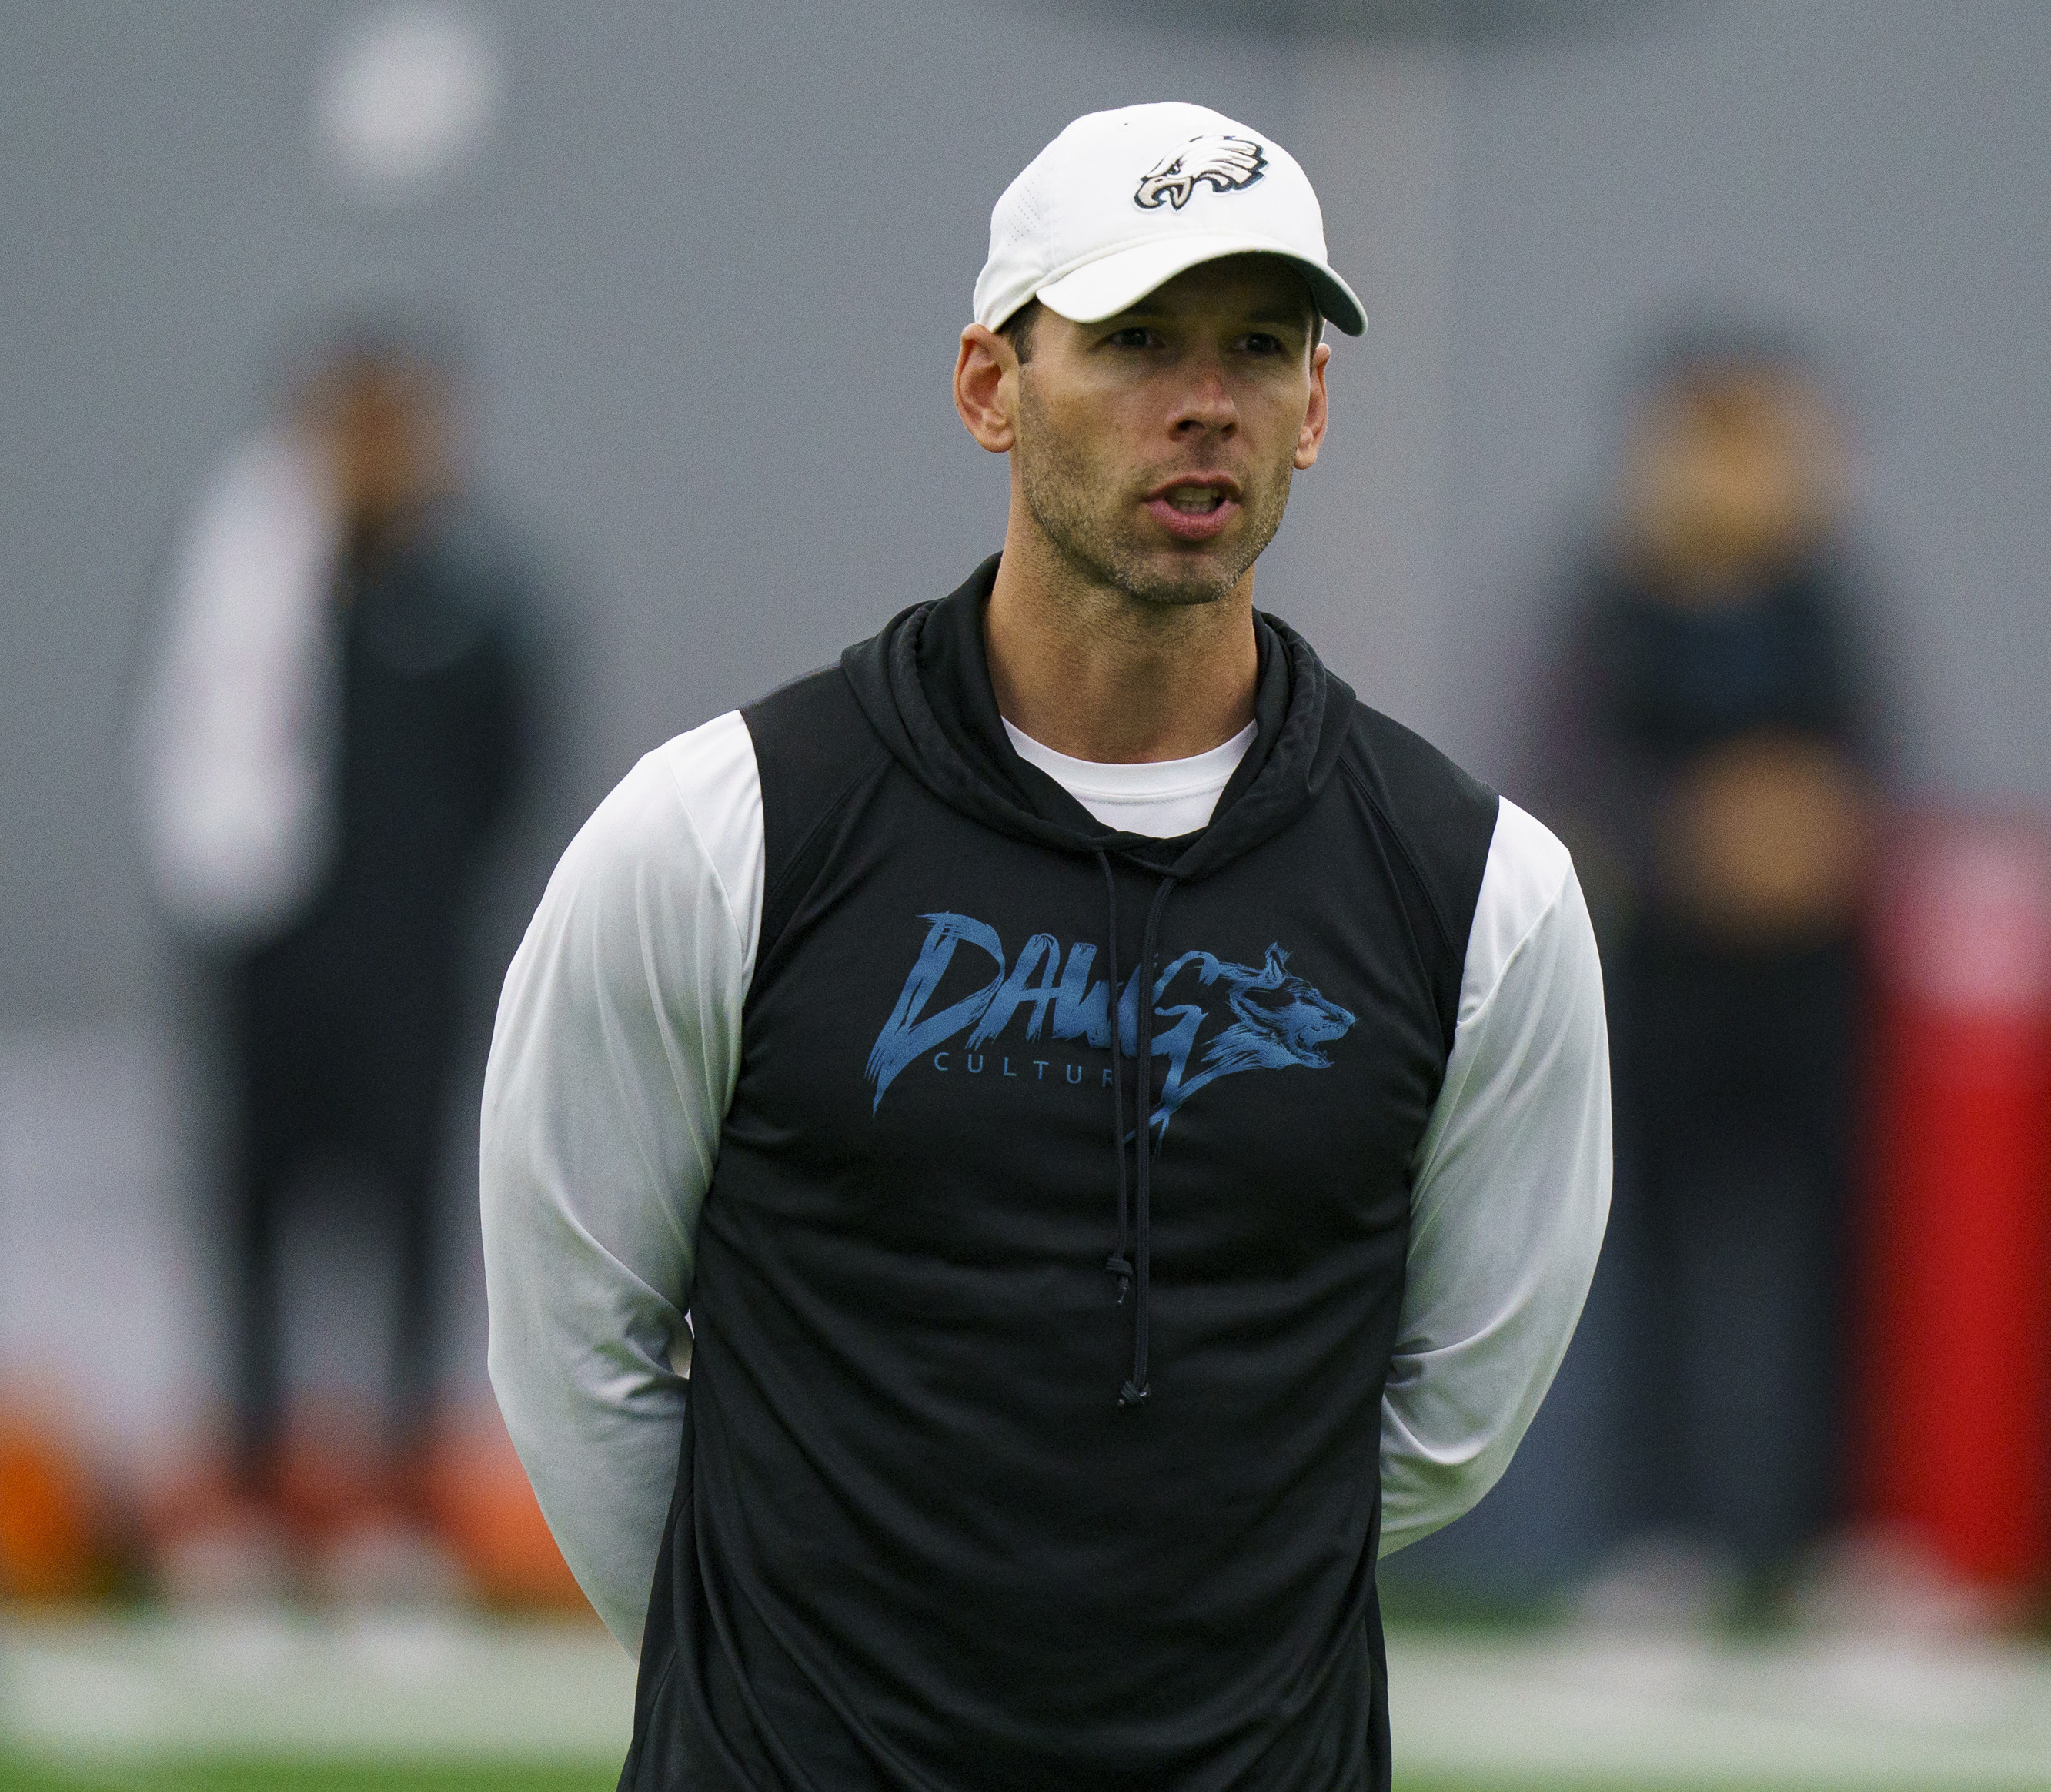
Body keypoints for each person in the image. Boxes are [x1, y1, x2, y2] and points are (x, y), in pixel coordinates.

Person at [482, 102, 1612, 1787]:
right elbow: (573, 1337)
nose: (1205, 399)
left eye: (1260, 343)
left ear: (1317, 407)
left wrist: (1171, 1602)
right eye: (1136, 338)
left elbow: (1459, 1408)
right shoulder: (725, 829)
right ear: (987, 387)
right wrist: (773, 1673)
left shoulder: (1478, 891)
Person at [137, 326, 541, 1596]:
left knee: (412, 1228)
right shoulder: (247, 592)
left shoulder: (474, 606)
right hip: (263, 971)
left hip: (408, 980)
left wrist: (412, 915)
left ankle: (397, 1514)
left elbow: (503, 778)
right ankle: (248, 1504)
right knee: (252, 1220)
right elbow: (183, 754)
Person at [1534, 332, 1886, 1624]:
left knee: (1829, 1259)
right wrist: (1691, 838)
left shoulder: (1819, 602)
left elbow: (1873, 769)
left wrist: (1814, 832)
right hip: (1668, 978)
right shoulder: (1613, 603)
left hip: (1807, 984)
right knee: (1660, 1258)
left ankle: (1831, 1539)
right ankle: (1658, 1536)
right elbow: (1567, 772)